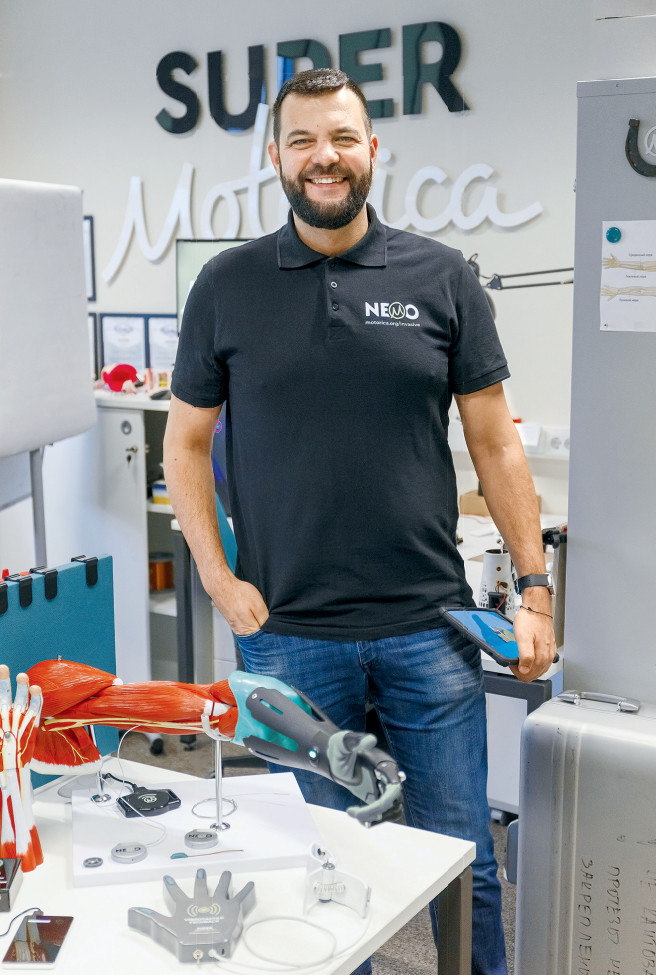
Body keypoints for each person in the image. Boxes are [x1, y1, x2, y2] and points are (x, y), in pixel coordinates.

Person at [163, 68, 555, 975]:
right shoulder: (226, 284)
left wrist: (534, 589)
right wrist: (218, 577)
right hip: (288, 636)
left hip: (429, 626)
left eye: (342, 137)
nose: (324, 157)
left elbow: (496, 443)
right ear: (276, 157)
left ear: (372, 150)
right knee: (322, 871)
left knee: (464, 868)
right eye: (303, 140)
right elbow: (185, 442)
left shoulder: (442, 277)